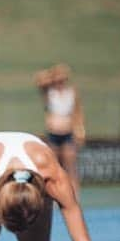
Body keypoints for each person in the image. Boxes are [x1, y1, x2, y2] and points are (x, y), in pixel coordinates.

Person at [35, 63, 85, 194]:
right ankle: (55, 194)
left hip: (67, 132)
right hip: (53, 133)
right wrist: (51, 76)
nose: (60, 81)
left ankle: (74, 195)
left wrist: (80, 130)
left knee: (70, 167)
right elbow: (39, 79)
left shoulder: (71, 92)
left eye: (63, 78)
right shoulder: (49, 92)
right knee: (53, 166)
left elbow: (77, 112)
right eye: (58, 78)